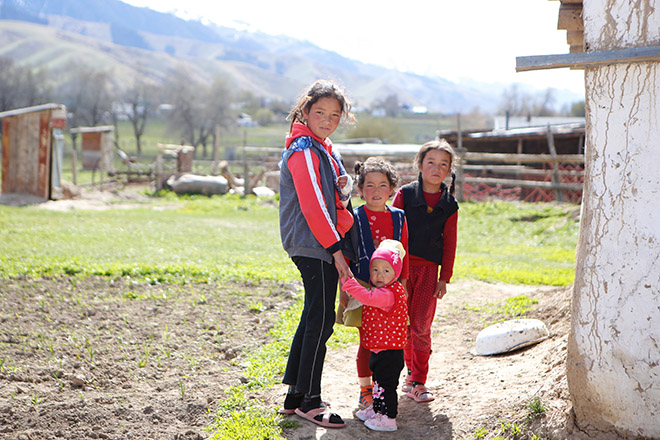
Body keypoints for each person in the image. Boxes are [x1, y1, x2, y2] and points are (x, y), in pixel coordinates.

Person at [278, 79, 355, 429]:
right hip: (315, 243)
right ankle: (311, 399)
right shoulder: (305, 149)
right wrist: (336, 250)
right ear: (305, 111)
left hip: (319, 241)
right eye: (320, 112)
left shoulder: (321, 147)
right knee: (322, 318)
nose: (327, 119)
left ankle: (296, 395)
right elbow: (313, 207)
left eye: (334, 115)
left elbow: (329, 197)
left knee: (314, 314)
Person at [338, 157, 409, 409]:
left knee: (390, 342)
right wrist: (343, 291)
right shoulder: (353, 217)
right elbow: (345, 257)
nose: (376, 191)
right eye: (369, 185)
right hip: (361, 284)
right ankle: (365, 388)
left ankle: (383, 387)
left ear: (392, 189)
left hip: (391, 293)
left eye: (382, 186)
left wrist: (404, 288)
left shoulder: (399, 218)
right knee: (367, 340)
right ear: (359, 189)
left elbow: (404, 254)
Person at [392, 139, 459, 403]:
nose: (436, 168)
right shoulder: (405, 195)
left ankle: (418, 380)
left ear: (449, 170)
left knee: (420, 325)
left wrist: (445, 278)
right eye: (430, 162)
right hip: (400, 270)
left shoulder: (450, 204)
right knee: (400, 324)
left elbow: (450, 243)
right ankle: (398, 376)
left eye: (443, 164)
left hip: (429, 273)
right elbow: (392, 230)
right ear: (420, 165)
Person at [341, 239, 408, 432]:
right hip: (381, 348)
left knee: (386, 385)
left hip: (390, 352)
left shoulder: (388, 294)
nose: (379, 275)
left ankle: (388, 418)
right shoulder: (383, 289)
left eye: (386, 270)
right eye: (375, 269)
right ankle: (378, 410)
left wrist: (350, 285)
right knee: (378, 383)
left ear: (396, 273)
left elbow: (367, 297)